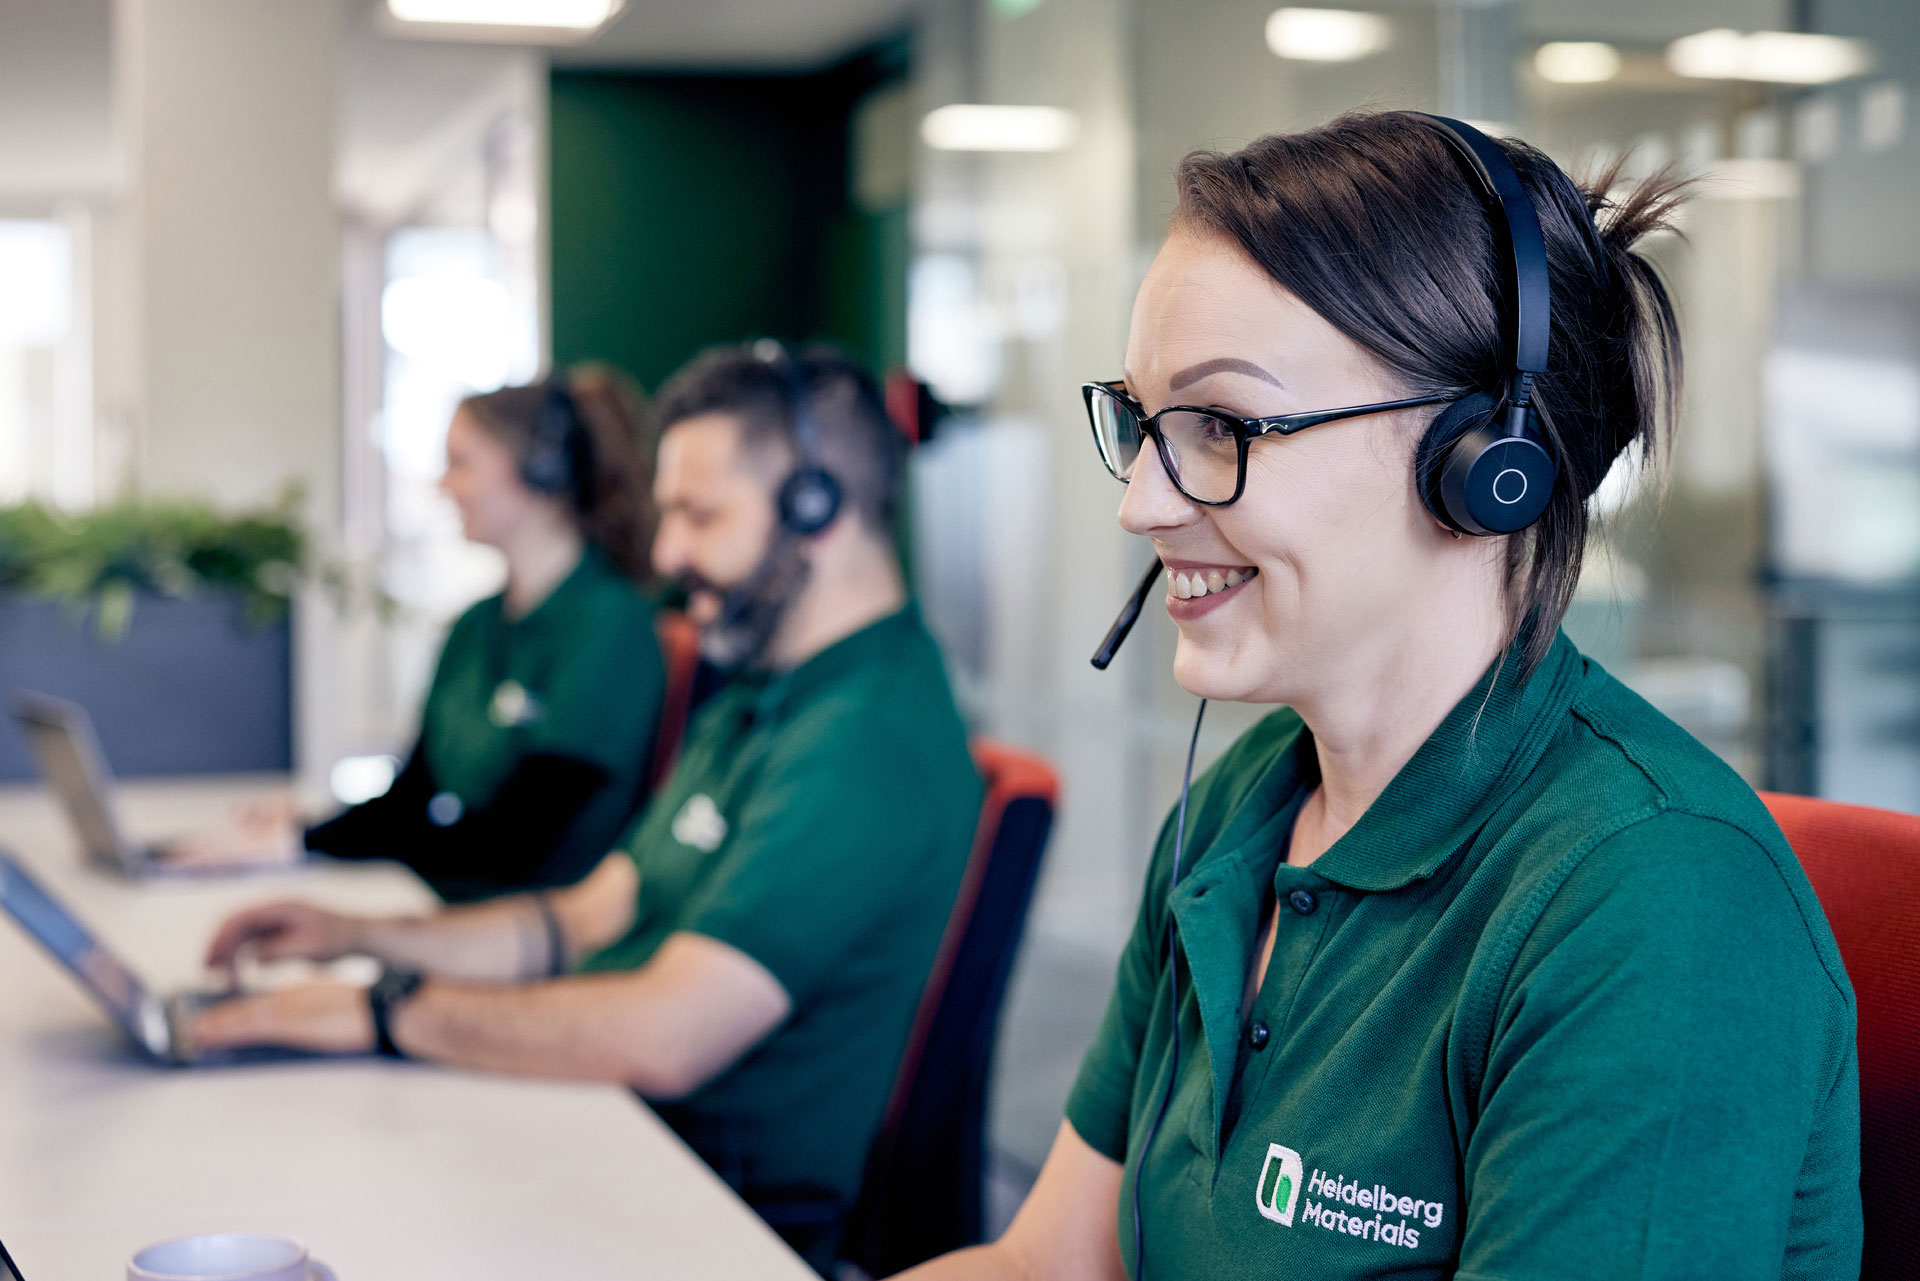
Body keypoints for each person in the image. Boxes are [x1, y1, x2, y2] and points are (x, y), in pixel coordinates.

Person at [900, 112, 1860, 1280]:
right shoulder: (1243, 807)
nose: (1142, 503)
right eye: (1145, 424)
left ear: (1486, 463)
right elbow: (1048, 1263)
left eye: (1220, 426)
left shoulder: (1656, 902)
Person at [189, 342, 983, 1273]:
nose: (667, 553)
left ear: (819, 509)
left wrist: (384, 1011)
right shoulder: (762, 693)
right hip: (609, 1137)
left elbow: (665, 1035)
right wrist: (360, 936)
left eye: (699, 515)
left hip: (702, 1214)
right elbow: (585, 915)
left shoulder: (863, 743)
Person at [169, 368, 667, 902]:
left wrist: (307, 844)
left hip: (529, 923)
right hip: (451, 901)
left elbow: (512, 844)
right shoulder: (477, 625)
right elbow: (410, 801)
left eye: (460, 463)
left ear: (537, 470)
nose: (442, 486)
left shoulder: (609, 629)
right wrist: (301, 835)